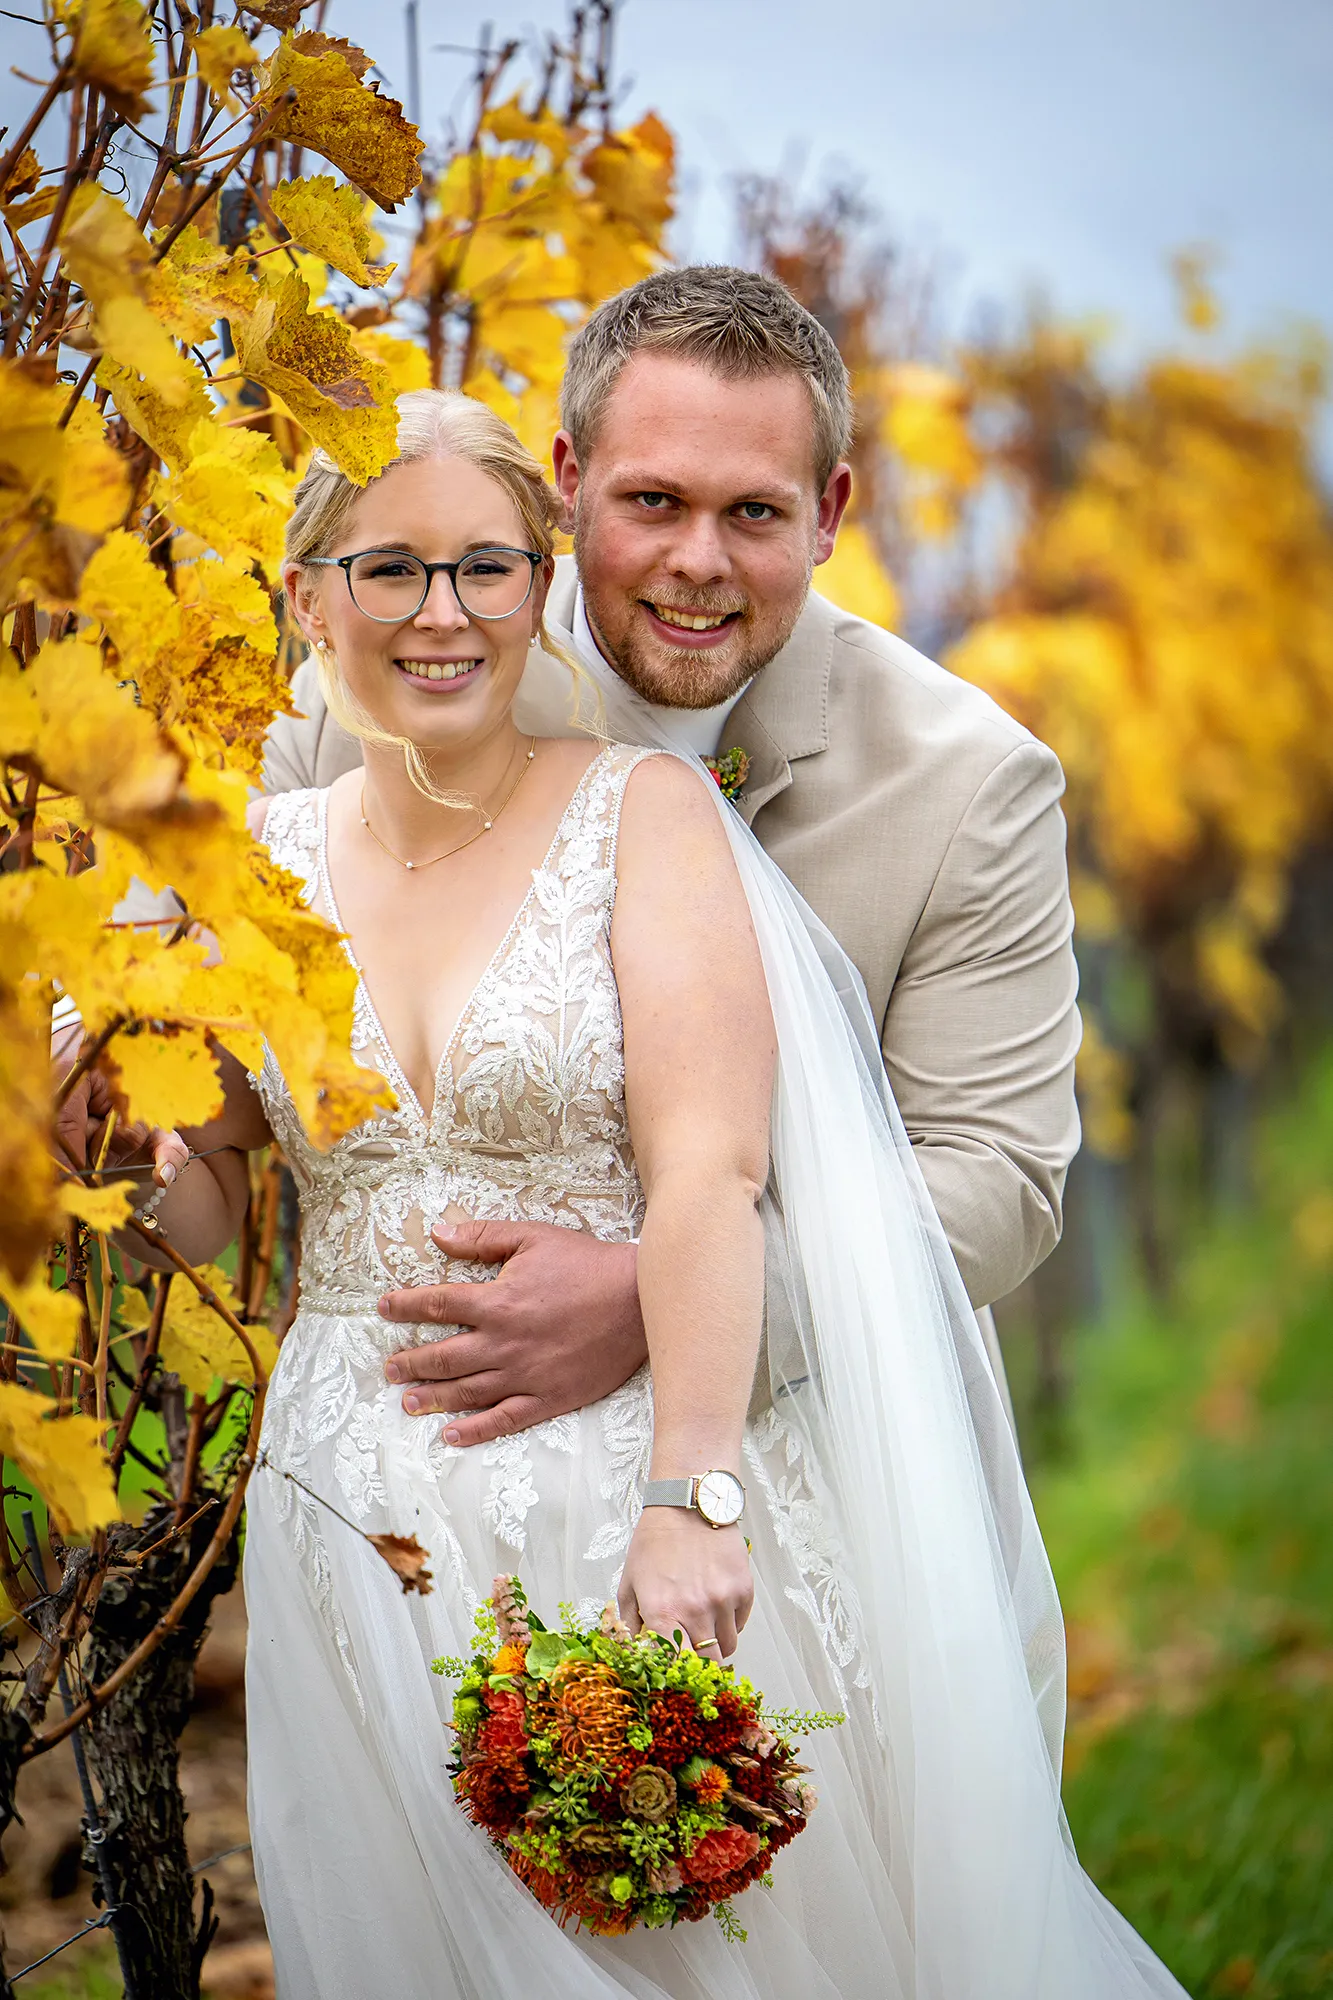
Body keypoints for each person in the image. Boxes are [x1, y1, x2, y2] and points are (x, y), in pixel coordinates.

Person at [88, 386, 1187, 1998]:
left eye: (485, 568)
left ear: (539, 588)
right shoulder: (256, 856)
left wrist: (691, 1501)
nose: (441, 612)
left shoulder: (639, 814)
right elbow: (214, 1214)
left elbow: (710, 1172)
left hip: (615, 1498)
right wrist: (131, 1153)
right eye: (388, 570)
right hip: (350, 1515)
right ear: (307, 595)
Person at [261, 266, 1081, 1453]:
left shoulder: (964, 781)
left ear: (830, 510)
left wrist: (665, 1302)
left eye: (753, 512)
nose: (698, 559)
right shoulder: (378, 695)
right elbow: (207, 997)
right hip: (414, 1456)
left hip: (804, 1441)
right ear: (568, 480)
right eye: (652, 500)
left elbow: (994, 1181)